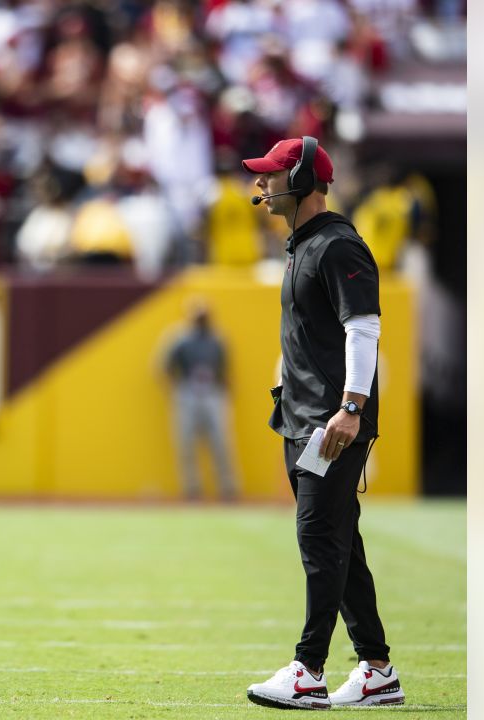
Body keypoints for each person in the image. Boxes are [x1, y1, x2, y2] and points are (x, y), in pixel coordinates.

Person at [240, 137, 405, 709]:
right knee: (340, 540)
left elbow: (364, 328)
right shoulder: (303, 244)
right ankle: (377, 669)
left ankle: (308, 669)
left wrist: (351, 408)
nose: (261, 185)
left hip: (331, 421)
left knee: (319, 538)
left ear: (304, 179)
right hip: (305, 415)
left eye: (271, 175)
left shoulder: (337, 245)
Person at [165, 304, 239, 501]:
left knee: (221, 442)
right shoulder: (179, 339)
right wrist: (176, 387)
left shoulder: (217, 339)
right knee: (186, 442)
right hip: (188, 391)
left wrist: (226, 389)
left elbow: (225, 368)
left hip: (213, 392)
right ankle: (192, 489)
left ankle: (228, 488)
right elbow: (165, 366)